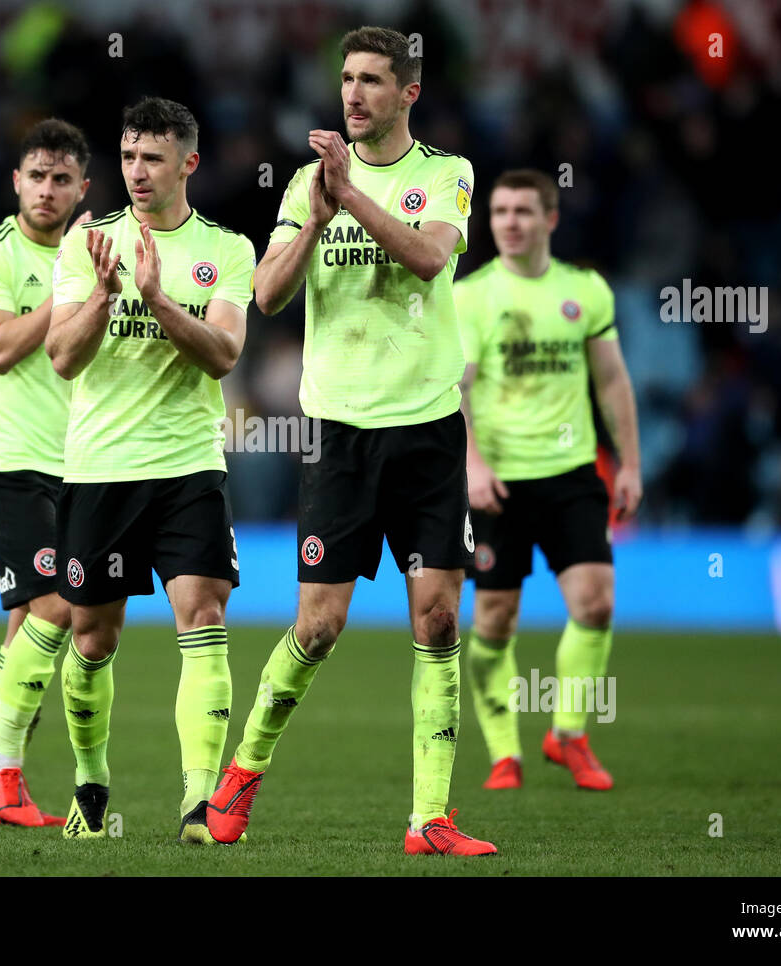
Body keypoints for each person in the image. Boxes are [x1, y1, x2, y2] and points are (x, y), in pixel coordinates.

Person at [207, 27, 495, 856]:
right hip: (339, 434)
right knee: (319, 625)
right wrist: (316, 216)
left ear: (409, 92)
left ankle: (429, 820)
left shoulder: (445, 175)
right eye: (346, 80)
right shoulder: (306, 185)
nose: (354, 94)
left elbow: (429, 260)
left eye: (372, 80)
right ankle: (242, 776)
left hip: (429, 432)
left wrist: (355, 198)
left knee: (438, 619)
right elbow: (265, 295)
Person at [47, 97, 255, 843]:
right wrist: (106, 294)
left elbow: (224, 353)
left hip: (189, 468)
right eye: (129, 157)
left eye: (153, 159)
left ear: (188, 164)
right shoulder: (86, 246)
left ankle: (199, 804)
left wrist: (159, 297)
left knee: (204, 616)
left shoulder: (227, 251)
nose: (136, 172)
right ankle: (91, 782)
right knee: (93, 639)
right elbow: (63, 357)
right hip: (100, 468)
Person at [453, 168, 642, 791]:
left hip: (571, 475)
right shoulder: (472, 295)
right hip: (499, 482)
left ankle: (568, 734)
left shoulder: (585, 291)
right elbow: (460, 389)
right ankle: (505, 750)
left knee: (596, 602)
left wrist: (631, 465)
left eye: (523, 211)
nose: (509, 221)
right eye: (500, 211)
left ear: (550, 220)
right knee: (495, 623)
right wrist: (473, 464)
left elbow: (612, 380)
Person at [0, 119, 94, 827]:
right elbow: (1, 346)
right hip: (8, 462)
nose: (47, 189)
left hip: (82, 464)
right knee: (58, 608)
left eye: (61, 178)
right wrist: (73, 282)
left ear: (82, 188)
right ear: (15, 181)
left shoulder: (95, 257)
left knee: (29, 630)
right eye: (36, 175)